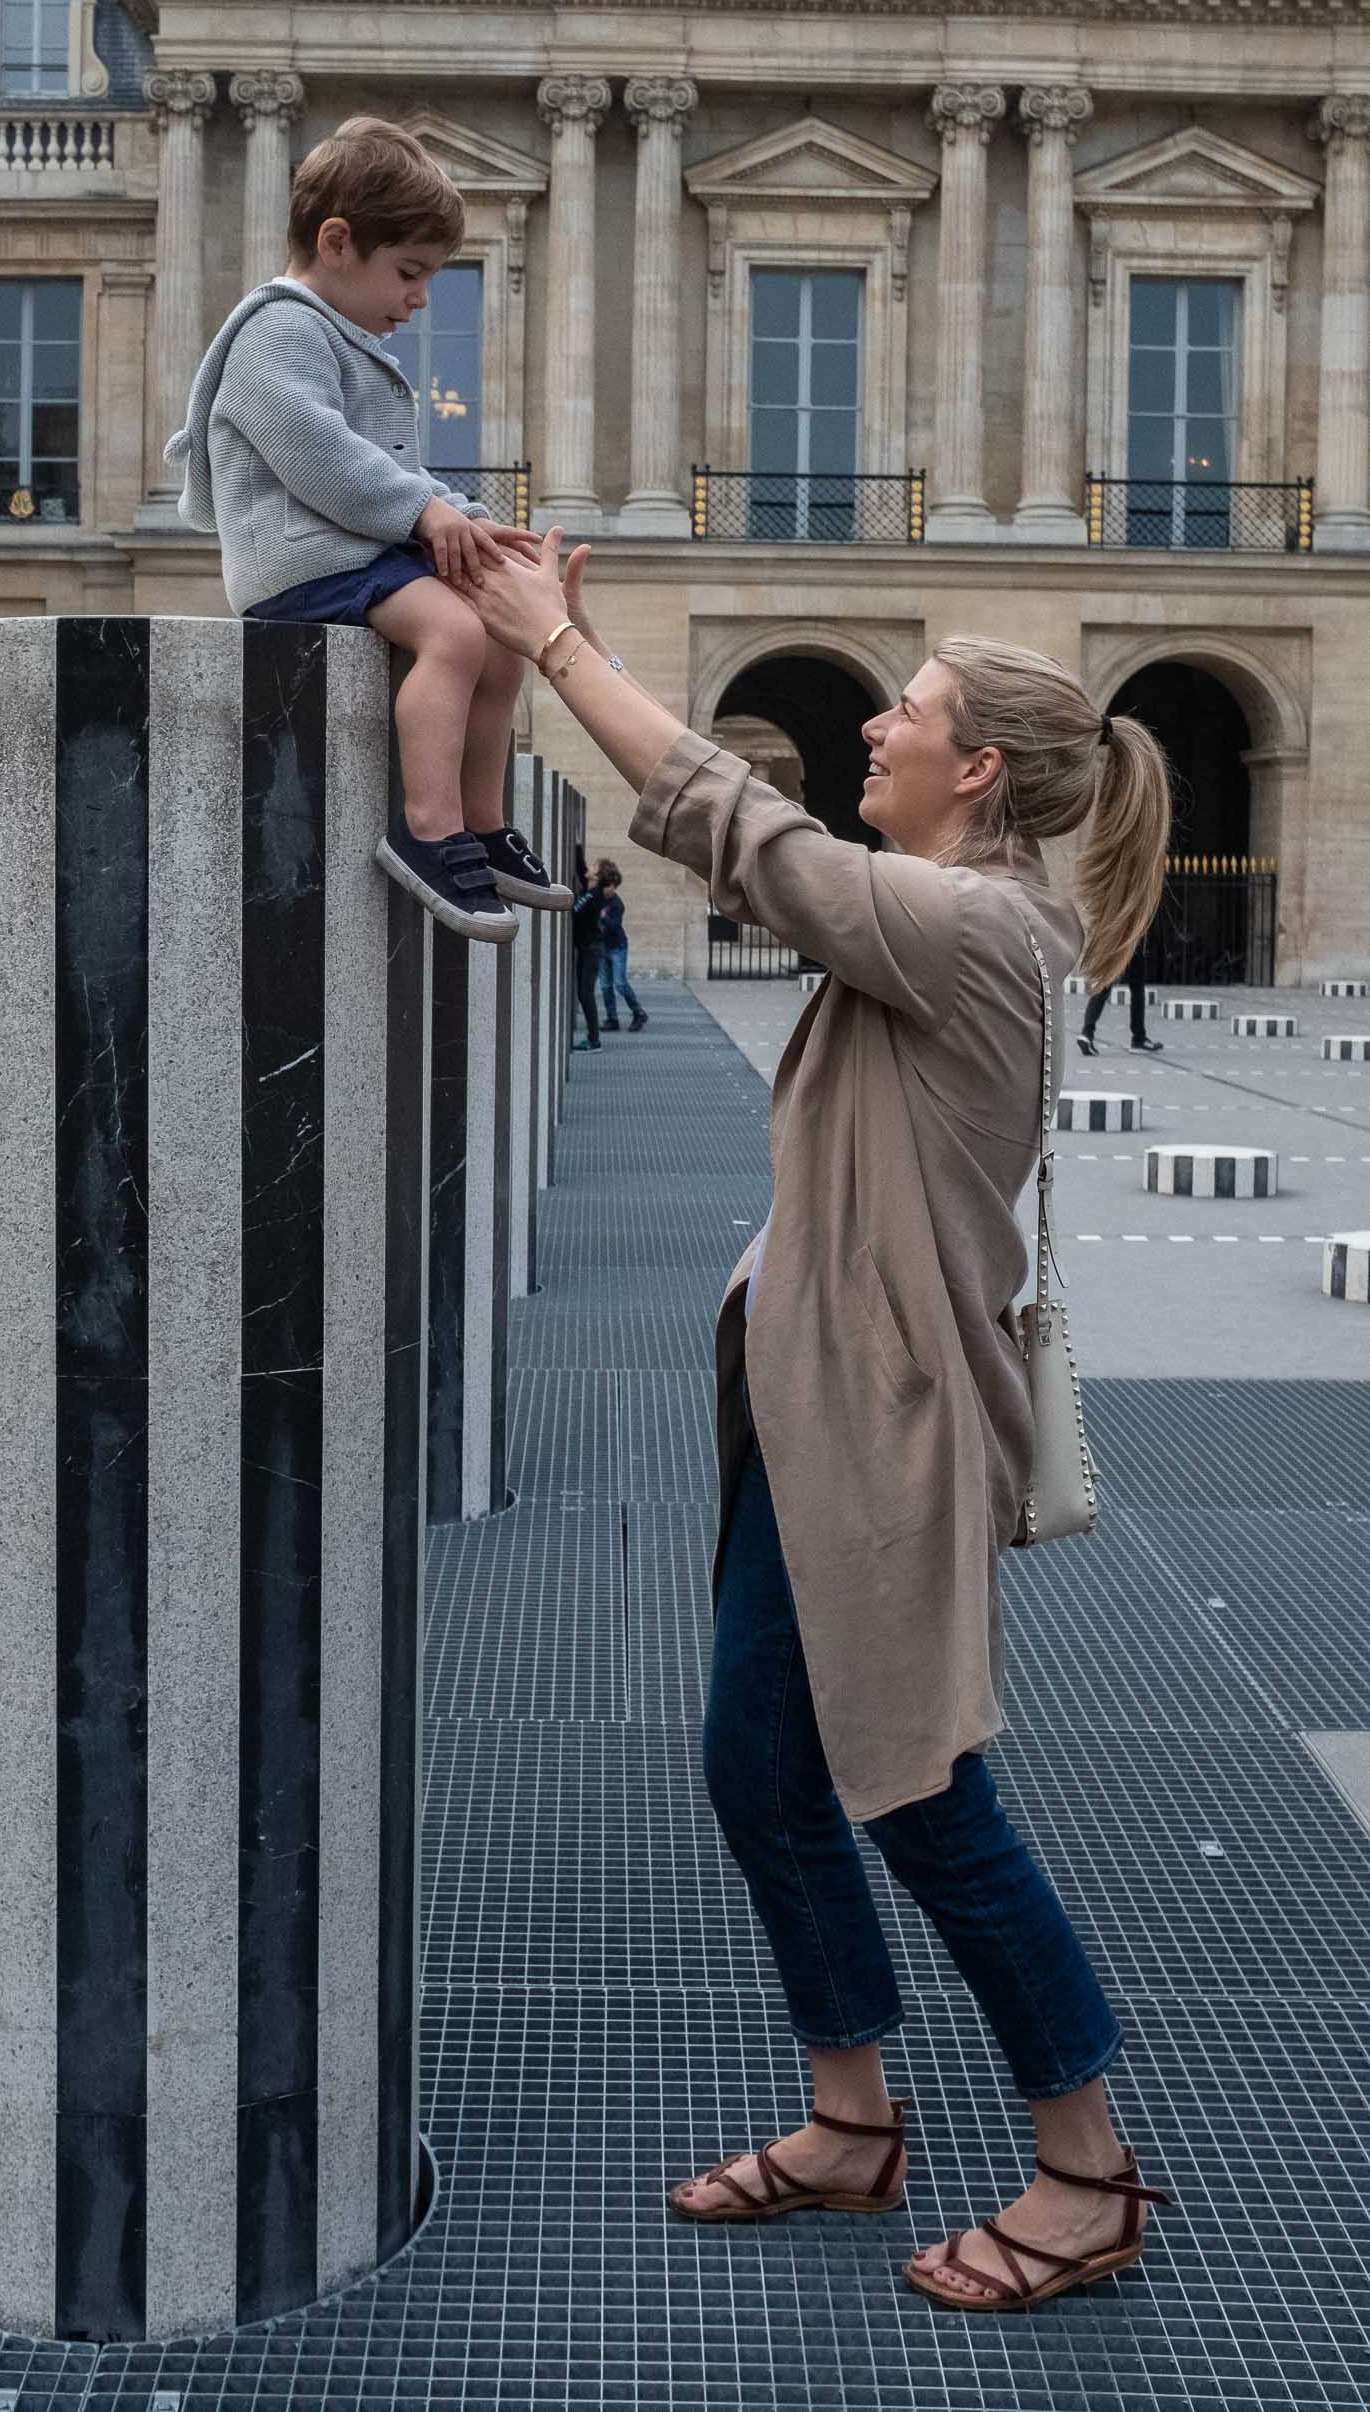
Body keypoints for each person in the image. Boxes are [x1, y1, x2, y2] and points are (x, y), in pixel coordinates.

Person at [467, 528, 1175, 2316]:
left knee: (922, 1792)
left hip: (883, 1427)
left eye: (908, 716)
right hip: (816, 1408)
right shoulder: (956, 920)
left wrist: (556, 651)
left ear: (980, 770)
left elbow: (737, 826)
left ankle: (1085, 2173)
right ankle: (851, 2118)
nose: (872, 729)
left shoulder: (975, 927)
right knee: (761, 1767)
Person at [166, 116, 570, 942]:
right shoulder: (276, 330)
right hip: (297, 560)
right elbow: (321, 455)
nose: (420, 299)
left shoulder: (329, 334)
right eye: (409, 273)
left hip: (349, 549)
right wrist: (424, 515)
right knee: (454, 632)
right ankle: (426, 830)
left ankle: (484, 826)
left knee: (498, 637)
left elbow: (388, 472)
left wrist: (473, 525)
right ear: (337, 241)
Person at [1077, 930, 1162, 1057]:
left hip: (1111, 936)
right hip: (1131, 935)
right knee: (1137, 986)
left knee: (1104, 984)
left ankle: (1087, 1033)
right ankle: (1139, 1038)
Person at [594, 859, 648, 1034]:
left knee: (620, 983)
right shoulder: (598, 898)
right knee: (605, 985)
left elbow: (614, 926)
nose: (609, 889)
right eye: (606, 885)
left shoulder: (617, 904)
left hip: (618, 947)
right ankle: (612, 1018)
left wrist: (602, 917)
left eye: (612, 886)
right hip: (603, 948)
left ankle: (638, 1012)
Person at [572, 849, 604, 1053]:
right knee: (583, 994)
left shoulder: (592, 895)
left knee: (586, 994)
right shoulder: (589, 890)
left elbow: (574, 909)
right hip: (587, 950)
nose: (589, 868)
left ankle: (594, 1040)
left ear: (598, 876)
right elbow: (580, 867)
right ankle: (593, 1038)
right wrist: (576, 848)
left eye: (594, 867)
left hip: (590, 951)